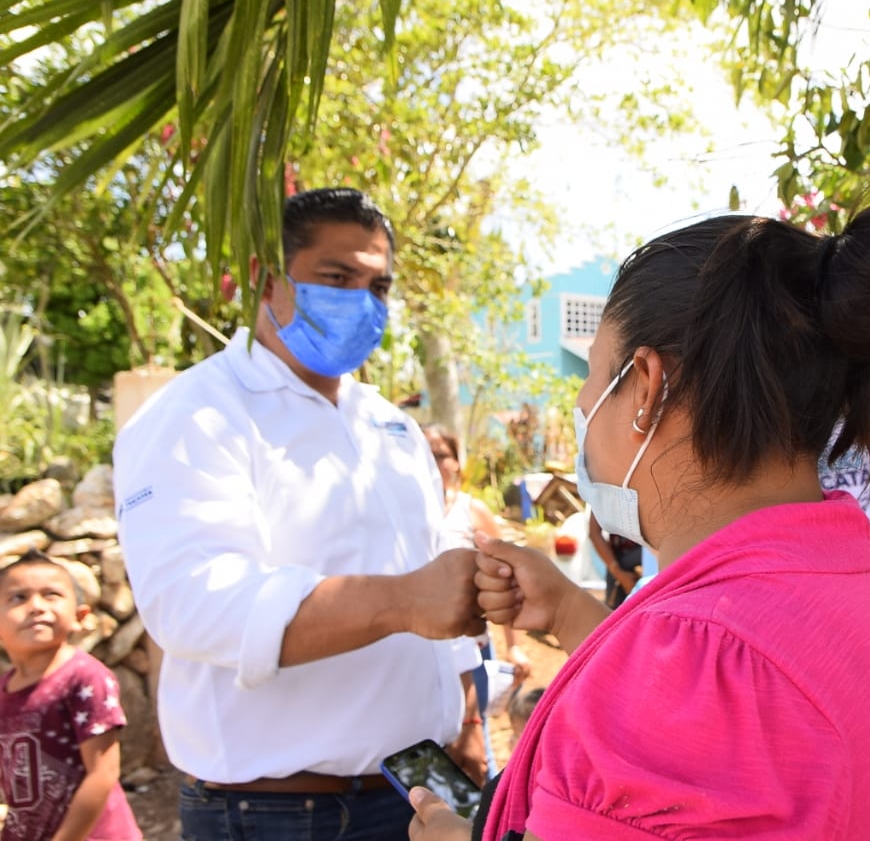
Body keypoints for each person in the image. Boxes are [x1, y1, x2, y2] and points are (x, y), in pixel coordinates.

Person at [408, 195, 870, 840]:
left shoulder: (698, 654)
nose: (581, 410)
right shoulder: (864, 577)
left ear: (646, 385)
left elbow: (695, 694)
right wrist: (572, 613)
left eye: (591, 382)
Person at [112, 188, 486, 841]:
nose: (361, 302)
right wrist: (399, 601)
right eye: (337, 278)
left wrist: (470, 717)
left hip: (418, 792)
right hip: (281, 814)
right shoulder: (196, 415)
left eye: (378, 285)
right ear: (265, 278)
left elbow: (436, 581)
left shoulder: (391, 427)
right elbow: (192, 603)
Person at [0, 551, 142, 841]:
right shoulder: (5, 689)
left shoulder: (84, 678)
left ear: (80, 616)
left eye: (51, 594)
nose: (36, 607)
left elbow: (103, 773)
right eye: (18, 597)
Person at [422, 424, 531, 779]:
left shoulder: (472, 511)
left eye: (442, 454)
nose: (435, 462)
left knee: (474, 740)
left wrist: (513, 647)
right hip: (420, 649)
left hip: (473, 648)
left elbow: (505, 578)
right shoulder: (405, 515)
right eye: (427, 453)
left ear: (456, 462)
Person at [586, 513, 643, 608]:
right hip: (620, 567)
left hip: (648, 561)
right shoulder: (603, 498)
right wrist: (619, 574)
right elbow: (594, 532)